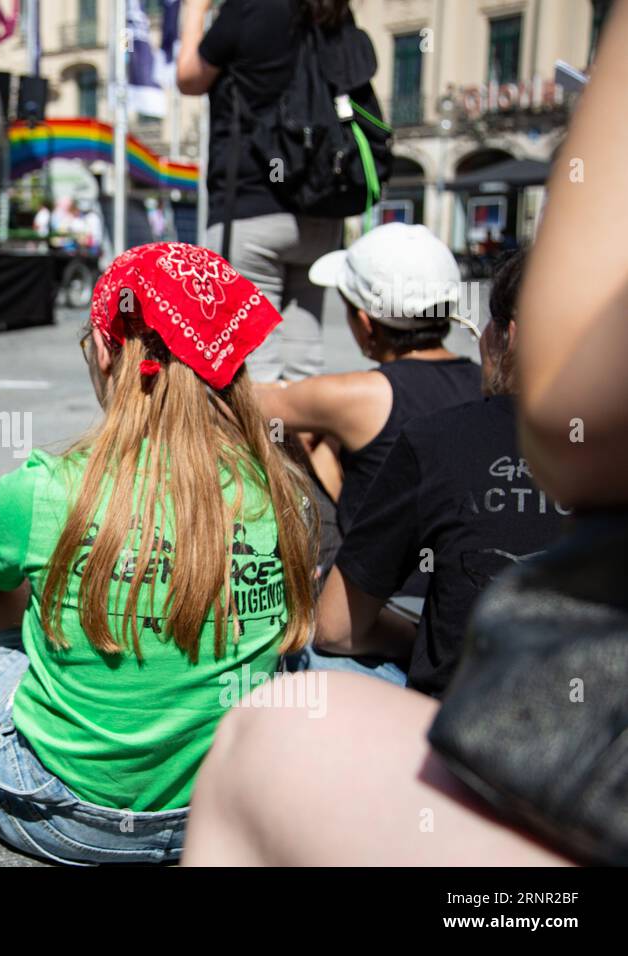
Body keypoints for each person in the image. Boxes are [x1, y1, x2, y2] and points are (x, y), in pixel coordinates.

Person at [181, 5, 628, 867]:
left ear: (365, 321)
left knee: (275, 722)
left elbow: (244, 400)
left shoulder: (370, 399)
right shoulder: (340, 24)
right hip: (317, 204)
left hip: (475, 689)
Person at [0, 242, 316, 864]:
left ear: (109, 349)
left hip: (59, 816)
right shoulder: (278, 490)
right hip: (217, 816)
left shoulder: (49, 487)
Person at [304, 250, 571, 693]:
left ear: (512, 336)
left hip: (465, 727)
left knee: (313, 652)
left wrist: (415, 639)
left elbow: (336, 628)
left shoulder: (438, 436)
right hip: (606, 730)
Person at [255, 223, 482, 566]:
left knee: (289, 436)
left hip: (378, 598)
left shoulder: (358, 394)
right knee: (329, 438)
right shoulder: (482, 381)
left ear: (365, 322)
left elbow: (250, 401)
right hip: (455, 579)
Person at [178, 0, 359, 381]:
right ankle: (303, 439)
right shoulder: (332, 11)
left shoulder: (249, 7)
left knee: (254, 368)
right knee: (302, 360)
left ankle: (265, 440)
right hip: (320, 207)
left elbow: (189, 77)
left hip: (252, 205)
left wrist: (194, 10)